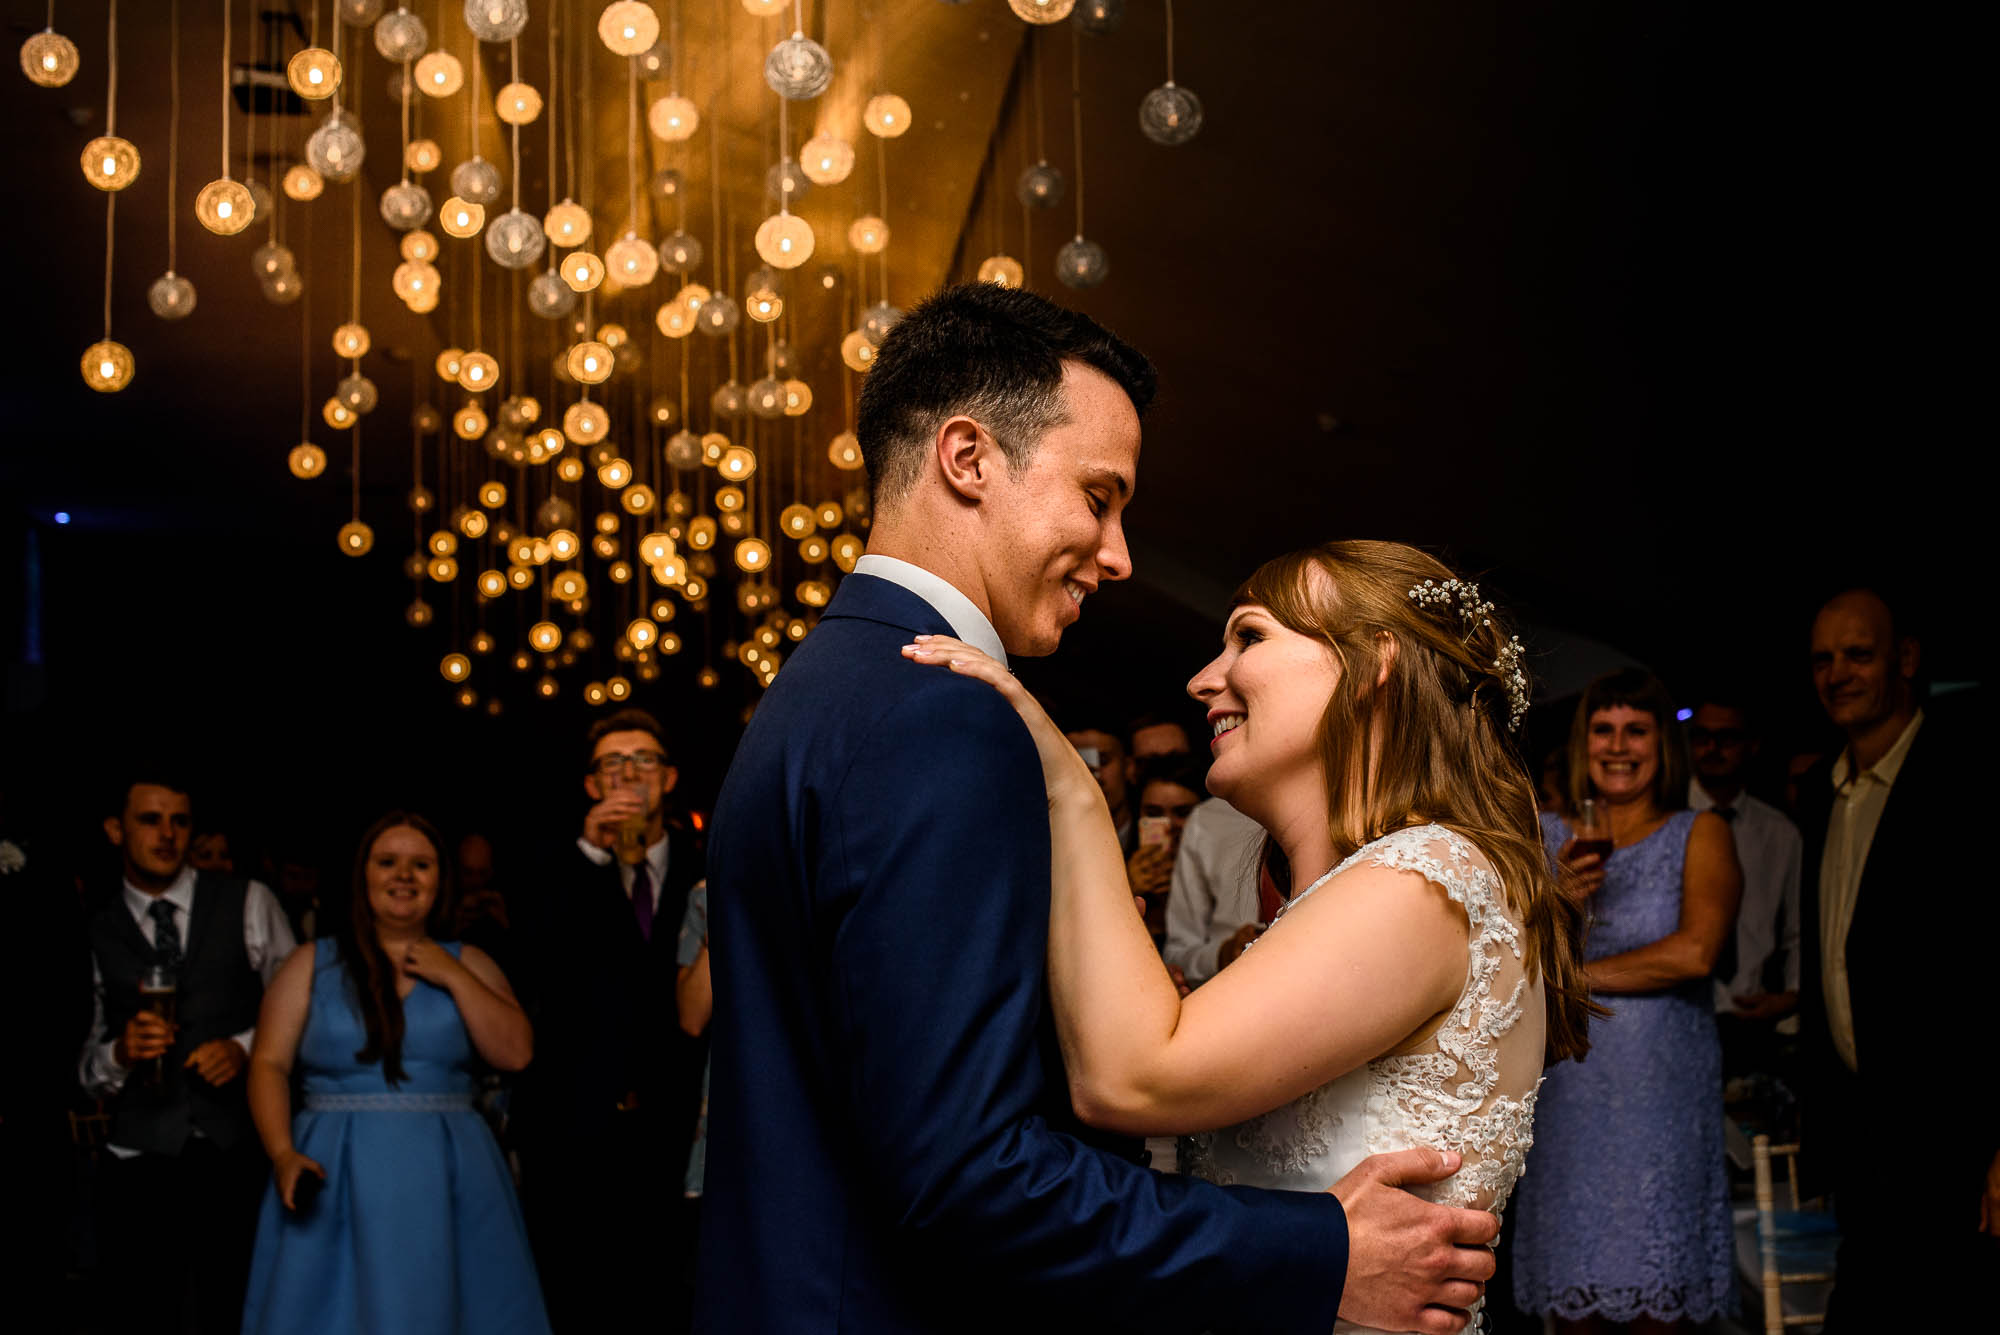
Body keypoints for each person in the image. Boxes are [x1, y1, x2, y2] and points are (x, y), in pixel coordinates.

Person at [699, 284, 1508, 1335]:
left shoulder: (826, 687)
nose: (1120, 555)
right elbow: (965, 1175)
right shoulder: (938, 713)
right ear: (966, 458)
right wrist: (1317, 1250)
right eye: (1097, 495)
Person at [907, 539, 1595, 1335]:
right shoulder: (1337, 904)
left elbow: (1132, 1078)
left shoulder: (1426, 876)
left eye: (1250, 635)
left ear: (1376, 660)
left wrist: (1075, 793)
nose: (1205, 677)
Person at [239, 812, 546, 1334]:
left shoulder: (469, 960)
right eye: (388, 863)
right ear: (364, 875)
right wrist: (282, 1152)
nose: (404, 875)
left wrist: (451, 973)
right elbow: (268, 1063)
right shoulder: (312, 963)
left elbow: (516, 1053)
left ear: (439, 880)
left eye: (420, 865)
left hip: (449, 1172)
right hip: (335, 1170)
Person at [1509, 669, 1742, 1332]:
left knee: (1658, 1302)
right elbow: (1502, 962)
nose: (1618, 745)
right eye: (1603, 730)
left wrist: (1573, 979)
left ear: (1662, 745)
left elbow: (1695, 952)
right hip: (1570, 1106)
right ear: (1583, 743)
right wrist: (1556, 905)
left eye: (1636, 730)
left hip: (1661, 1108)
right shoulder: (1546, 836)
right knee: (1573, 1302)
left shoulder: (1700, 833)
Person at [1793, 589, 1998, 1325]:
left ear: (1905, 659)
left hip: (1959, 1138)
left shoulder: (1971, 778)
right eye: (1823, 659)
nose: (1838, 673)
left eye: (1859, 653)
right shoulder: (1820, 790)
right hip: (1865, 1137)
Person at [514, 708, 707, 1334]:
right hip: (575, 1132)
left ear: (669, 778)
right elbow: (538, 973)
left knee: (671, 1299)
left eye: (643, 760)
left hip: (674, 1127)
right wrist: (590, 861)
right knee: (579, 1300)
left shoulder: (708, 867)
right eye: (612, 765)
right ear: (592, 785)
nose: (629, 775)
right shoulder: (552, 870)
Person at [83, 774, 296, 1335]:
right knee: (141, 1314)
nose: (168, 834)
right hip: (138, 1159)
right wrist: (118, 1055)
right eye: (150, 820)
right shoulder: (93, 927)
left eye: (179, 821)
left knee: (236, 1308)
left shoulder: (248, 901)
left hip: (231, 1151)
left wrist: (246, 1048)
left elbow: (303, 1011)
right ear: (115, 830)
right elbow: (83, 1066)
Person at [1684, 695, 1803, 1075]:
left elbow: (1796, 931)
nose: (1712, 748)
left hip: (1752, 1018)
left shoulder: (1779, 833)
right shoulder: (1665, 818)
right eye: (1702, 736)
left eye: (1727, 738)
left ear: (1752, 745)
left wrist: (1790, 997)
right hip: (1679, 1010)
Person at [1161, 794, 1265, 987]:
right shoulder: (1206, 820)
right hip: (1227, 995)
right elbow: (1176, 956)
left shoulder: (1334, 814)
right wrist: (1221, 956)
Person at [1127, 752, 1206, 945]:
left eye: (1183, 813)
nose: (1168, 825)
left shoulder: (1215, 877)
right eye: (1153, 814)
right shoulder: (1120, 872)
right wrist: (1126, 893)